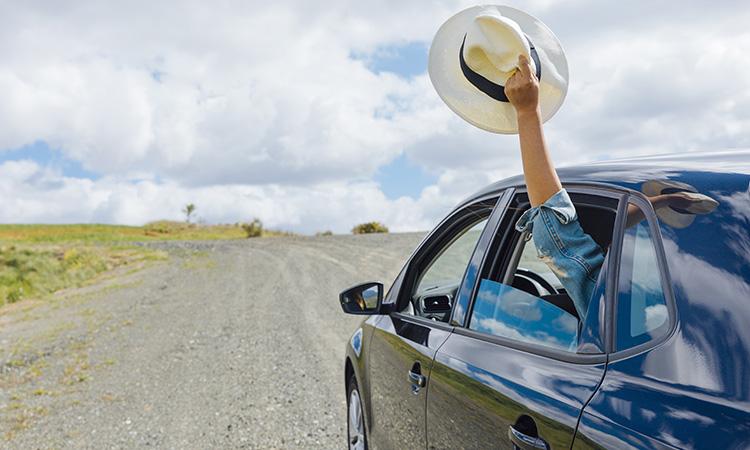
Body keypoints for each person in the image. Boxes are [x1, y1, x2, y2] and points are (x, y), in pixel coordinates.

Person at [504, 55, 701, 319]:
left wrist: (527, 112)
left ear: (605, 250)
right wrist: (661, 202)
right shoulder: (696, 297)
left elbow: (559, 238)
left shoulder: (617, 310)